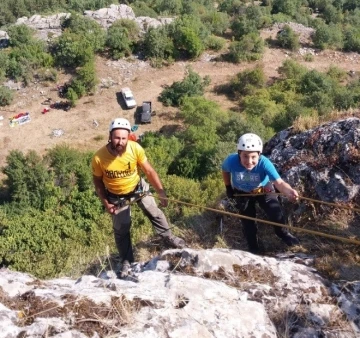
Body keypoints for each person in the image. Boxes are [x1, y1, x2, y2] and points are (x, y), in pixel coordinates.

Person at [92, 118, 185, 278]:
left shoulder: (135, 149)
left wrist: (161, 191)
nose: (120, 142)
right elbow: (98, 182)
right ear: (110, 136)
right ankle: (127, 260)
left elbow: (149, 171)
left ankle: (168, 237)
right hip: (116, 196)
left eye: (123, 138)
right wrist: (106, 203)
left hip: (138, 188)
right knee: (122, 228)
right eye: (116, 138)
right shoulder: (99, 158)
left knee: (153, 211)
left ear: (128, 137)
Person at [221, 133, 300, 254]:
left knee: (276, 214)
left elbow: (279, 183)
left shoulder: (264, 163)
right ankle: (253, 246)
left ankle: (283, 233)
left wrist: (289, 192)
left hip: (262, 189)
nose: (249, 161)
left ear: (259, 155)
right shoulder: (231, 161)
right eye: (245, 156)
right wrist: (228, 187)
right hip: (242, 192)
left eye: (253, 157)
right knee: (247, 221)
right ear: (239, 154)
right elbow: (225, 171)